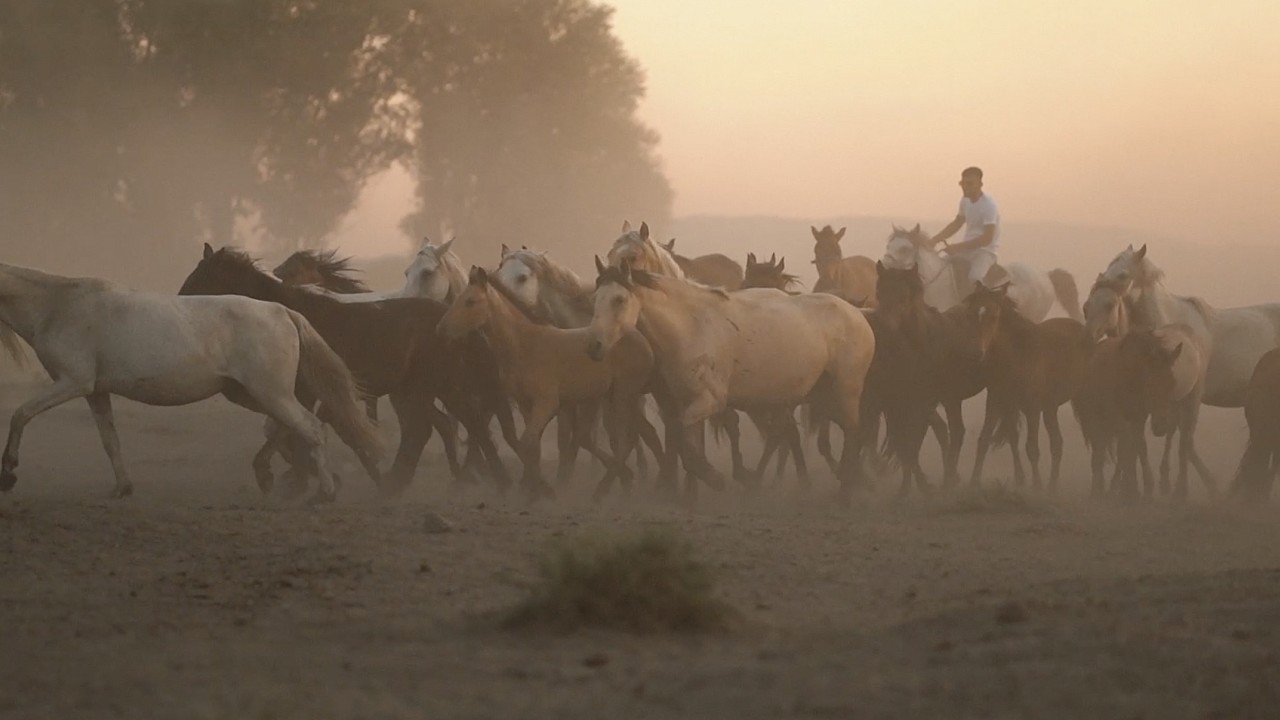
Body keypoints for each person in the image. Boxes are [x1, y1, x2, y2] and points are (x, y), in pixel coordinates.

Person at [929, 166, 1001, 290]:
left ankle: (981, 308)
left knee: (974, 278)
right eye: (962, 183)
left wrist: (957, 247)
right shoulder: (965, 201)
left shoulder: (989, 205)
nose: (964, 187)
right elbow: (957, 223)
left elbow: (987, 239)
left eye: (969, 184)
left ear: (980, 184)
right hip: (967, 250)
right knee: (941, 268)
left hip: (986, 252)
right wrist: (933, 240)